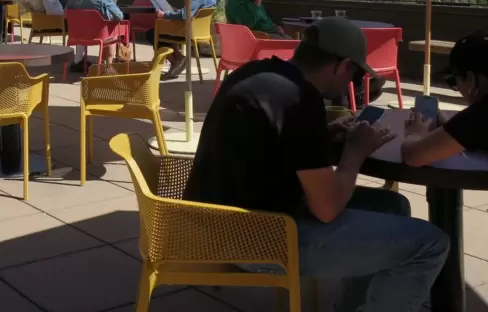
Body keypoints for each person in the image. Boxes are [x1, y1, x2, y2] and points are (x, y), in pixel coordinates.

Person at [185, 17, 448, 312]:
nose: (352, 83)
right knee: (430, 243)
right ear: (342, 65)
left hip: (219, 221)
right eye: (354, 74)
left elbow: (274, 146)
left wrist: (325, 136)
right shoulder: (300, 99)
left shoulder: (257, 72)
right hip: (256, 240)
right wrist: (356, 150)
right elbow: (327, 209)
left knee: (392, 206)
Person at [403, 32, 488, 165]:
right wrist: (449, 127)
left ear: (470, 78)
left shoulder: (481, 114)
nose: (458, 89)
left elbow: (412, 156)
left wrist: (414, 133)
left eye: (454, 81)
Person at [147, 0, 218, 80]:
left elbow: (184, 15)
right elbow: (194, 12)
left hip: (188, 31)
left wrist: (164, 14)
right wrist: (179, 11)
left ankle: (176, 59)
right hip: (201, 31)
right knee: (165, 33)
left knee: (152, 33)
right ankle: (178, 57)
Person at [66, 0, 123, 67]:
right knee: (113, 27)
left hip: (78, 35)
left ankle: (79, 61)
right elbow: (119, 16)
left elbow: (67, 14)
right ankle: (109, 64)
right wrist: (109, 16)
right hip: (99, 35)